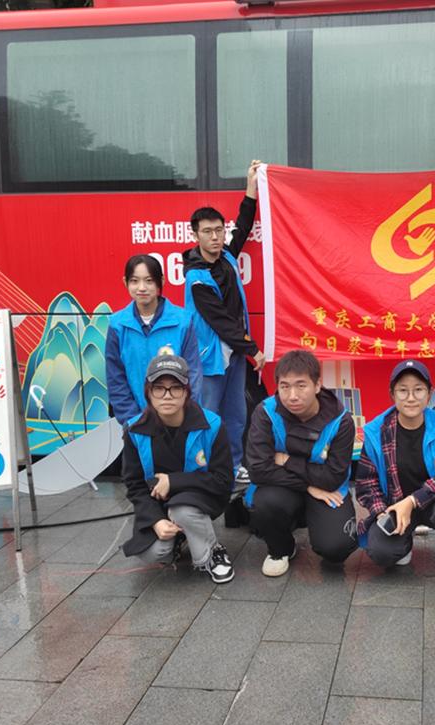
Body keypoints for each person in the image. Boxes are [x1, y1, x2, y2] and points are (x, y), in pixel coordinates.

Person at [355, 360, 435, 591]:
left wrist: (412, 501)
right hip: (396, 505)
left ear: (429, 394)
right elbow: (366, 482)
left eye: (418, 389)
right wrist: (382, 512)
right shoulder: (376, 432)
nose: (411, 397)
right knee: (381, 552)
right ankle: (403, 545)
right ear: (392, 395)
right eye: (403, 390)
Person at [184, 159, 266, 482]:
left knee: (237, 414)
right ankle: (206, 469)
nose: (215, 237)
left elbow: (243, 226)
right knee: (209, 415)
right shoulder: (196, 277)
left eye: (219, 230)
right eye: (208, 232)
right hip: (211, 358)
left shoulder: (227, 257)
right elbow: (221, 322)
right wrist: (252, 348)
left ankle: (233, 466)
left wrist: (251, 187)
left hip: (234, 355)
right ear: (196, 235)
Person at [120, 353, 234, 583]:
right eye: (159, 388)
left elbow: (223, 481)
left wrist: (173, 481)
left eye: (175, 388)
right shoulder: (134, 430)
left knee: (182, 509)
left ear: (187, 391)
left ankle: (213, 551)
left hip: (201, 497)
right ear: (148, 392)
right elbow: (134, 485)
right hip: (159, 504)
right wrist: (155, 520)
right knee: (155, 552)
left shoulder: (212, 425)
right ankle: (180, 536)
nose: (167, 396)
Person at [245, 350, 357, 576]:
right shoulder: (265, 412)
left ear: (317, 385)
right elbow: (258, 470)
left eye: (301, 385)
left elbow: (332, 478)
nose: (292, 396)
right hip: (287, 488)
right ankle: (281, 549)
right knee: (266, 502)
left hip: (327, 490)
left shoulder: (341, 420)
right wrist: (308, 486)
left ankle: (312, 521)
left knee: (336, 548)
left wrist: (285, 459)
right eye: (284, 386)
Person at [106, 254, 202, 425]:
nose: (142, 288)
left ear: (161, 281)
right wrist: (133, 421)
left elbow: (193, 374)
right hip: (136, 423)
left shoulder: (183, 322)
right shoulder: (117, 325)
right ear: (125, 282)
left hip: (178, 421)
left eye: (149, 281)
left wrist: (181, 417)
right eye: (134, 281)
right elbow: (116, 379)